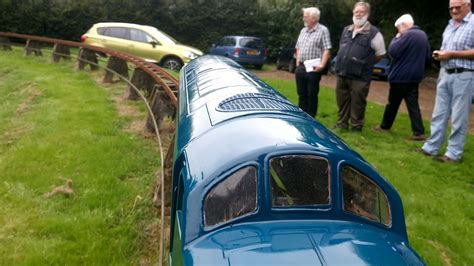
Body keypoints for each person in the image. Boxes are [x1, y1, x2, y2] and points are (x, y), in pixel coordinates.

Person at [419, 0, 474, 163]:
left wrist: (452, 54)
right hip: (445, 73)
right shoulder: (450, 25)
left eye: (458, 7)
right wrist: (441, 54)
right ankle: (431, 147)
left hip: (464, 75)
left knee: (459, 116)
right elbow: (447, 49)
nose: (454, 11)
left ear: (468, 5)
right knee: (439, 113)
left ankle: (453, 154)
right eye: (451, 8)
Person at [374, 14, 431, 140]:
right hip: (415, 76)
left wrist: (396, 38)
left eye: (398, 28)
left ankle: (384, 126)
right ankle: (419, 132)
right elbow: (428, 56)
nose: (398, 31)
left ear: (404, 25)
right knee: (412, 104)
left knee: (392, 103)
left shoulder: (407, 35)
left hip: (400, 76)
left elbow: (393, 51)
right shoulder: (423, 35)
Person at [334, 1, 386, 131]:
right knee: (342, 100)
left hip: (361, 76)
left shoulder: (374, 33)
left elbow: (380, 54)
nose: (358, 14)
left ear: (367, 14)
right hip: (342, 72)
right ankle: (342, 123)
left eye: (361, 12)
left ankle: (357, 126)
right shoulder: (346, 30)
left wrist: (366, 63)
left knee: (358, 102)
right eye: (356, 12)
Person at [295, 7, 332, 118]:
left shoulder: (323, 30)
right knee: (301, 93)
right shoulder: (303, 30)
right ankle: (301, 115)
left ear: (314, 18)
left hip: (314, 67)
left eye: (306, 16)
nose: (304, 18)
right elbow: (298, 47)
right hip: (301, 66)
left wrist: (322, 65)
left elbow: (327, 49)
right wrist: (297, 61)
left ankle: (311, 117)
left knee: (312, 94)